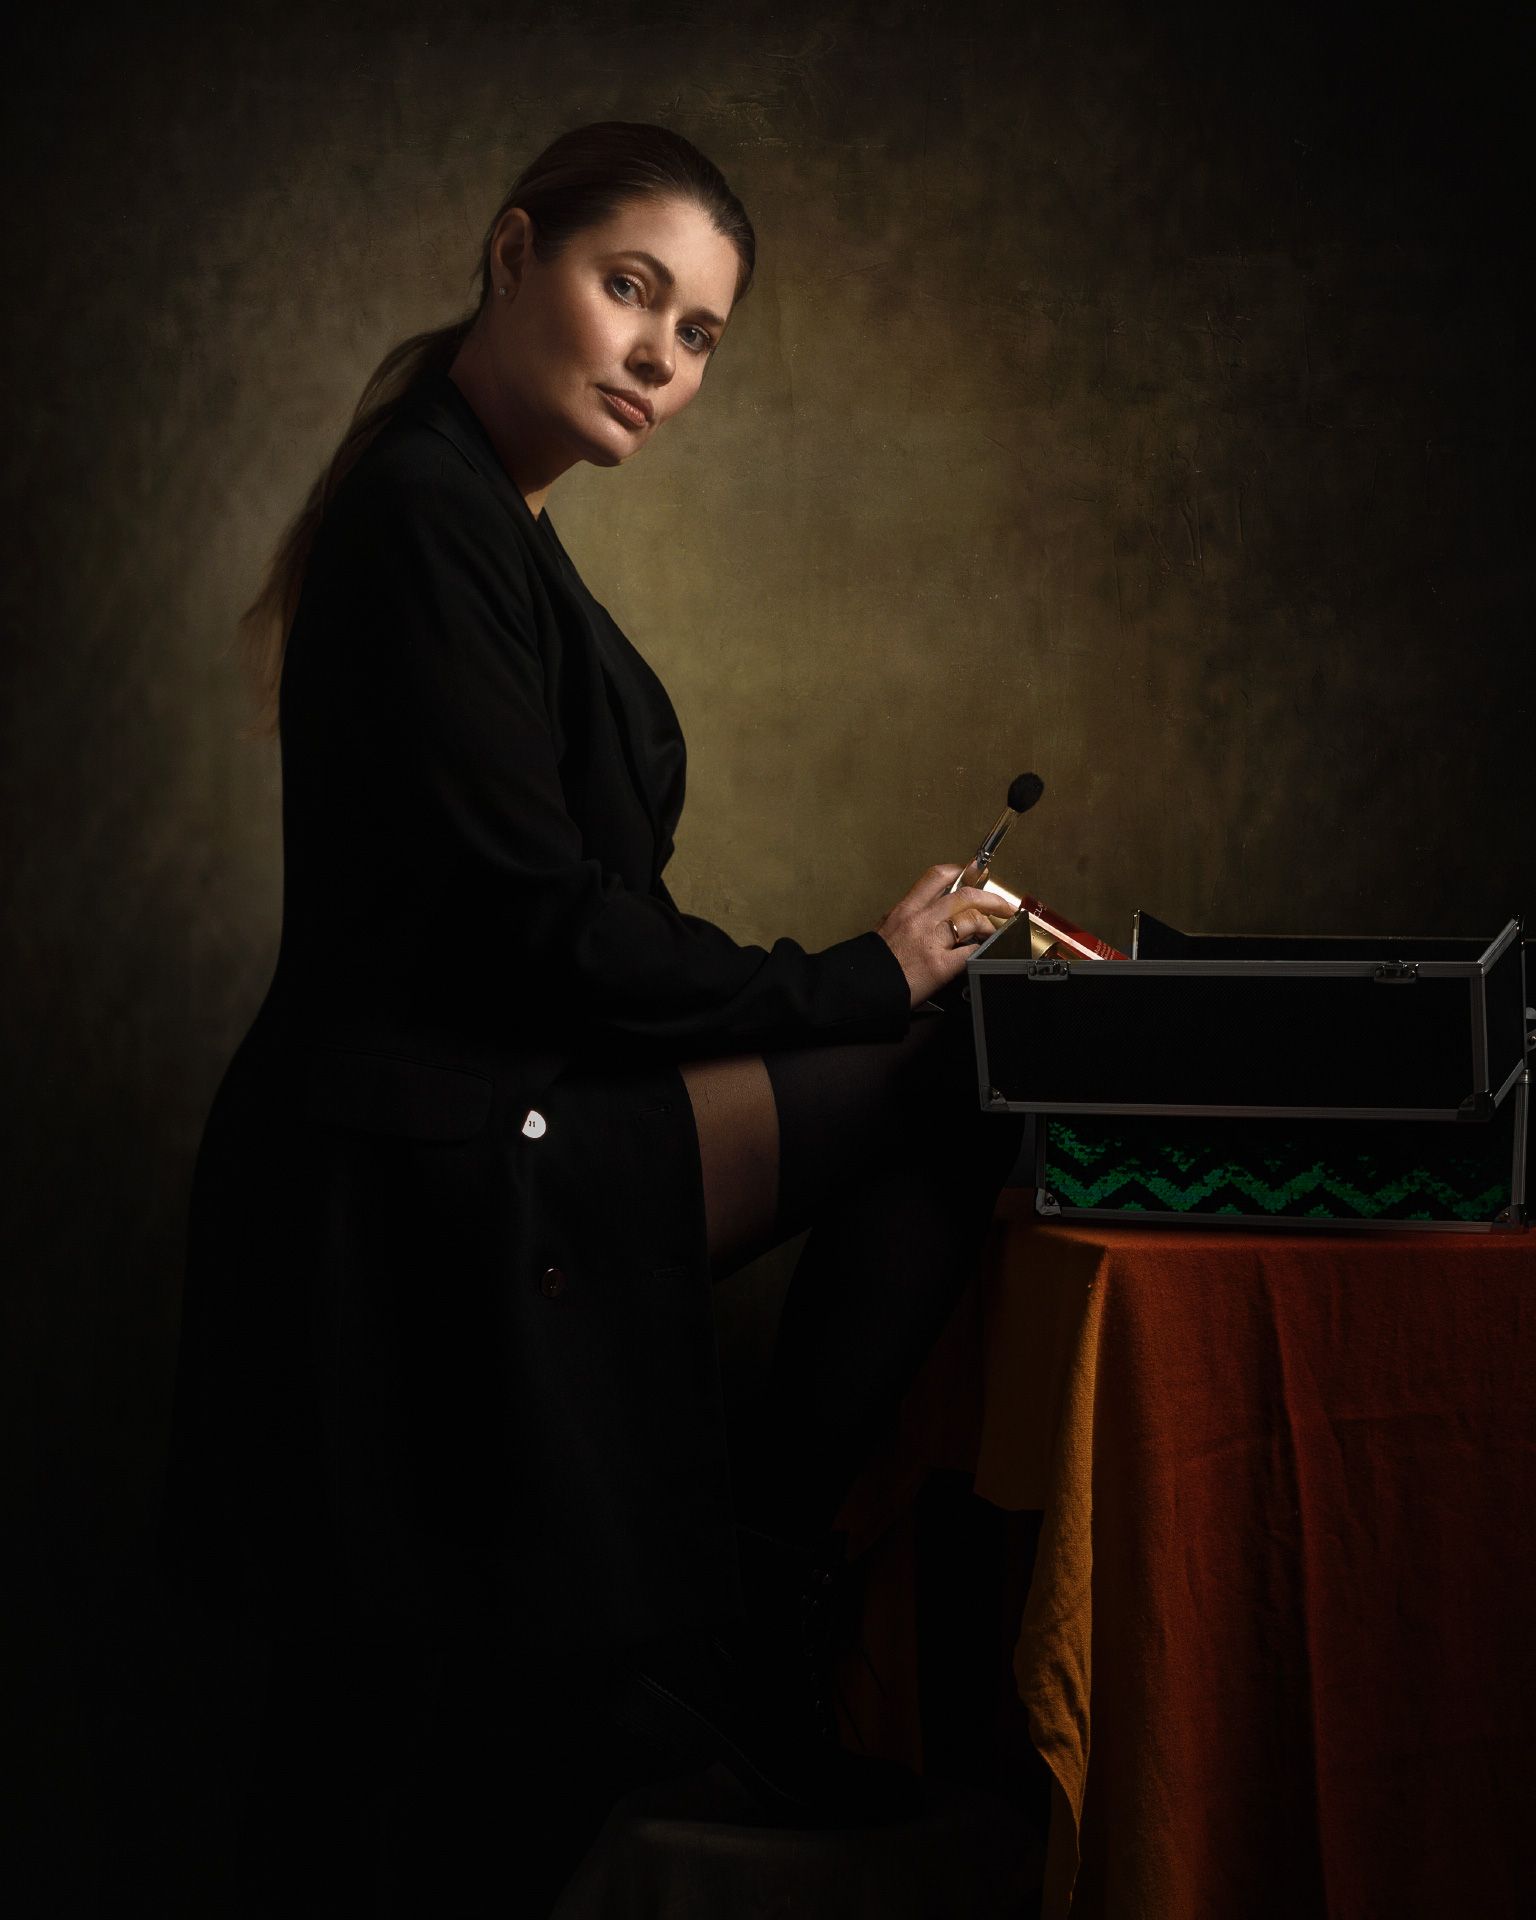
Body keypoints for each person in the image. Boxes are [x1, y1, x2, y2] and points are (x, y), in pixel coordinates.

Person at [161, 121, 1027, 1915]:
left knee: (960, 1065)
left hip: (496, 1108)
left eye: (699, 334)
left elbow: (558, 926)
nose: (659, 357)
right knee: (937, 1066)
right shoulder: (430, 514)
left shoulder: (490, 517)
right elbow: (546, 929)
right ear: (512, 254)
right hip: (416, 1168)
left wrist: (863, 984)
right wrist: (856, 976)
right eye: (630, 290)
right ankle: (752, 1623)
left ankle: (748, 1622)